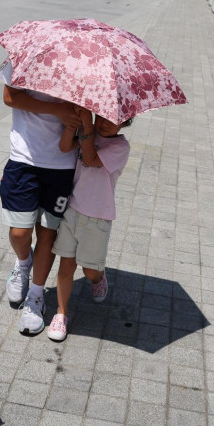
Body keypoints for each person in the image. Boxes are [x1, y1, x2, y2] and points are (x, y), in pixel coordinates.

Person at [0, 62, 78, 334]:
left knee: (48, 234)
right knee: (20, 232)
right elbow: (11, 97)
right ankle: (22, 263)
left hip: (62, 166)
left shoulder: (83, 70)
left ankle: (36, 295)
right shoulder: (25, 60)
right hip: (24, 159)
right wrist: (58, 109)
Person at [47, 107, 131, 342]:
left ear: (125, 123)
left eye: (114, 120)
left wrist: (87, 127)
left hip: (98, 217)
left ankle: (99, 277)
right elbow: (65, 147)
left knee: (89, 270)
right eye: (101, 116)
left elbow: (92, 159)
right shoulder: (87, 131)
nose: (105, 123)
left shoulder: (120, 147)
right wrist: (78, 124)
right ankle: (61, 313)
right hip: (72, 209)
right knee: (66, 266)